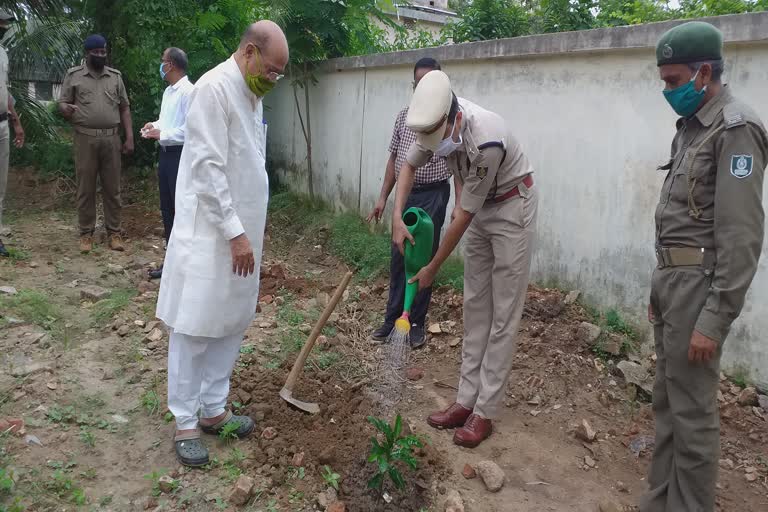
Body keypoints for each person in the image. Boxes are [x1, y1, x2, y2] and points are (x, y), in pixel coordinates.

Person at [641, 21, 767, 512]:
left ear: (705, 73)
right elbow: (678, 221)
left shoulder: (737, 130)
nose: (667, 91)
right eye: (664, 80)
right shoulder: (693, 128)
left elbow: (741, 238)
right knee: (667, 404)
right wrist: (658, 292)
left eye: (674, 81)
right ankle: (660, 501)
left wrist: (714, 320)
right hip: (672, 285)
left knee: (692, 415)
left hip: (700, 292)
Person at [156, 21, 288, 467]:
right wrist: (234, 232)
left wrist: (246, 234)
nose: (272, 79)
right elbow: (208, 168)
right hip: (212, 235)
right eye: (271, 70)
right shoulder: (213, 89)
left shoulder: (250, 94)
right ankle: (185, 421)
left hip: (243, 236)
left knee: (231, 321)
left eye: (278, 75)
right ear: (249, 52)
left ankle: (214, 410)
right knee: (195, 325)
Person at [392, 70, 538, 448]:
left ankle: (484, 411)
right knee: (475, 308)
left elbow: (463, 215)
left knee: (503, 312)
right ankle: (464, 400)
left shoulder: (486, 138)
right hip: (478, 210)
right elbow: (406, 165)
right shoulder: (433, 126)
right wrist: (396, 217)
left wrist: (431, 268)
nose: (431, 149)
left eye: (435, 141)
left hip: (511, 207)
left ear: (454, 119)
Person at [367, 57, 452, 348]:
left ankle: (415, 323)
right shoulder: (404, 117)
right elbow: (395, 160)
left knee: (422, 259)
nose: (423, 89)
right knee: (399, 256)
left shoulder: (447, 122)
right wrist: (383, 198)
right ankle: (392, 320)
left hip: (434, 194)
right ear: (414, 86)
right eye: (418, 84)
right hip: (408, 194)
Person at [58, 34, 134, 253]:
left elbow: (124, 107)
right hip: (85, 138)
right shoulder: (74, 76)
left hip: (112, 139)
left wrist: (129, 137)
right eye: (97, 52)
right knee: (86, 188)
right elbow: (63, 103)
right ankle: (86, 234)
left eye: (104, 52)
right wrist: (65, 108)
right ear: (87, 53)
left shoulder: (115, 77)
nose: (101, 55)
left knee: (113, 188)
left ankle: (114, 233)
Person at [141, 47, 194, 280]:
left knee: (181, 209)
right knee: (167, 209)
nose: (161, 65)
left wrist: (162, 134)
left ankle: (185, 264)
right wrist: (153, 126)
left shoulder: (189, 92)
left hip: (180, 155)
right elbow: (166, 121)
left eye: (163, 61)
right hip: (165, 155)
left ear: (171, 64)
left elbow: (189, 131)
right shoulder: (169, 92)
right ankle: (171, 263)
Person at [0, 10, 25, 257]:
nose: (4, 27)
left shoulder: (2, 53)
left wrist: (16, 121)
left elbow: (4, 91)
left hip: (2, 125)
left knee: (1, 185)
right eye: (2, 23)